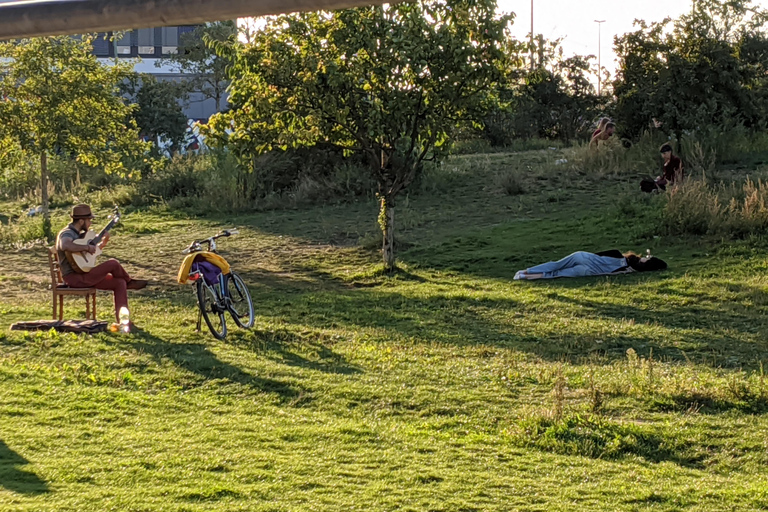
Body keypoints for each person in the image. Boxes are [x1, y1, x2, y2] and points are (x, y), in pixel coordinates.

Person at [56, 204, 147, 323]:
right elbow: (65, 245)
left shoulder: (79, 234)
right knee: (113, 263)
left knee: (119, 283)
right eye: (89, 220)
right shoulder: (67, 233)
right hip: (74, 278)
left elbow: (84, 257)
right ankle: (129, 282)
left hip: (84, 274)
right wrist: (88, 247)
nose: (90, 223)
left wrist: (103, 243)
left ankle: (124, 321)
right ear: (81, 220)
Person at [514, 249, 667, 280]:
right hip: (588, 271)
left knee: (556, 265)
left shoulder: (618, 254)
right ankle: (524, 277)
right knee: (556, 274)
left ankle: (526, 271)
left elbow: (599, 254)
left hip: (583, 257)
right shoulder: (628, 271)